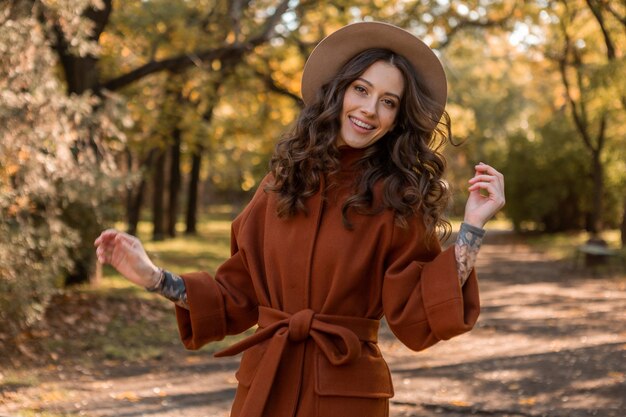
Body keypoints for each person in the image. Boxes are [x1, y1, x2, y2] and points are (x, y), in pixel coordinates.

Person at [94, 21, 505, 417]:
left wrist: (472, 227)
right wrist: (154, 278)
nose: (369, 109)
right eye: (361, 89)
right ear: (339, 91)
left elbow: (420, 312)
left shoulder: (400, 202)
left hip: (347, 396)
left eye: (388, 101)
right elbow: (235, 296)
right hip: (265, 387)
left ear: (398, 118)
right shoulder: (281, 183)